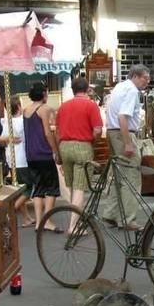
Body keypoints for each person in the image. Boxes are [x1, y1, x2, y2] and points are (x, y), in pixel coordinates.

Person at [102, 64, 150, 231]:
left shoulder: (119, 87)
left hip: (112, 132)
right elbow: (122, 116)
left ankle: (111, 213)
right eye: (145, 78)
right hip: (123, 133)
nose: (147, 82)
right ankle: (127, 219)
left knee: (118, 175)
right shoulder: (131, 91)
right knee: (131, 176)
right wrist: (128, 143)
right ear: (135, 76)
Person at [55, 76, 103, 232]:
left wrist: (58, 153)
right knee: (79, 188)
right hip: (82, 146)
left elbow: (57, 132)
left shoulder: (63, 107)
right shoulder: (91, 105)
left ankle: (76, 220)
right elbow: (97, 131)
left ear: (73, 90)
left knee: (72, 186)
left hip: (64, 146)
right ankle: (73, 226)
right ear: (87, 89)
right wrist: (92, 142)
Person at [23, 82, 59, 230]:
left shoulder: (26, 110)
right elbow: (47, 133)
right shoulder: (44, 109)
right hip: (43, 153)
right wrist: (55, 150)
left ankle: (38, 222)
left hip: (31, 154)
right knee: (51, 187)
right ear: (43, 94)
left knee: (38, 189)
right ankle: (47, 221)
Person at [1, 96, 33, 227]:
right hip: (22, 159)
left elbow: (3, 141)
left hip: (11, 158)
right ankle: (9, 212)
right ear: (19, 107)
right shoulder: (22, 121)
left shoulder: (6, 122)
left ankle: (26, 218)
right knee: (29, 188)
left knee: (19, 189)